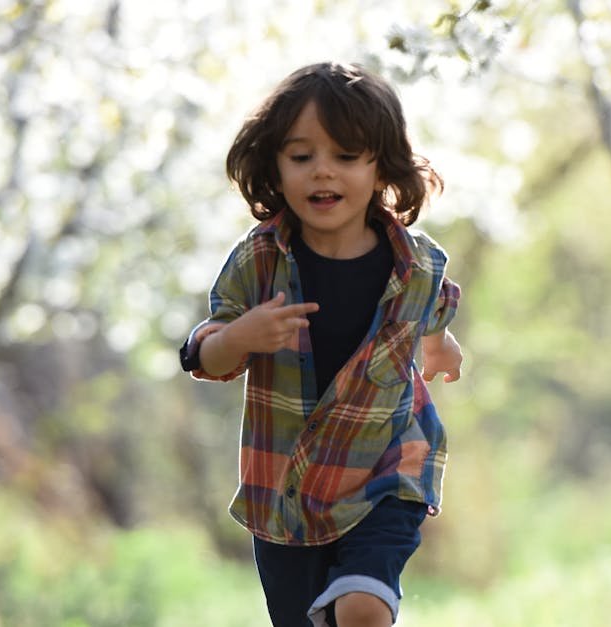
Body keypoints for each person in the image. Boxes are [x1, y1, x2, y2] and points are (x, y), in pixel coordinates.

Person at [179, 61, 463, 627]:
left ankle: (363, 603)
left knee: (362, 606)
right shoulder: (259, 262)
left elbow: (429, 315)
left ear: (381, 164)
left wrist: (440, 344)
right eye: (301, 157)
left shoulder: (416, 265)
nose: (321, 173)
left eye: (346, 157)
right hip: (287, 490)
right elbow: (201, 353)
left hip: (388, 471)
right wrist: (239, 337)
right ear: (275, 166)